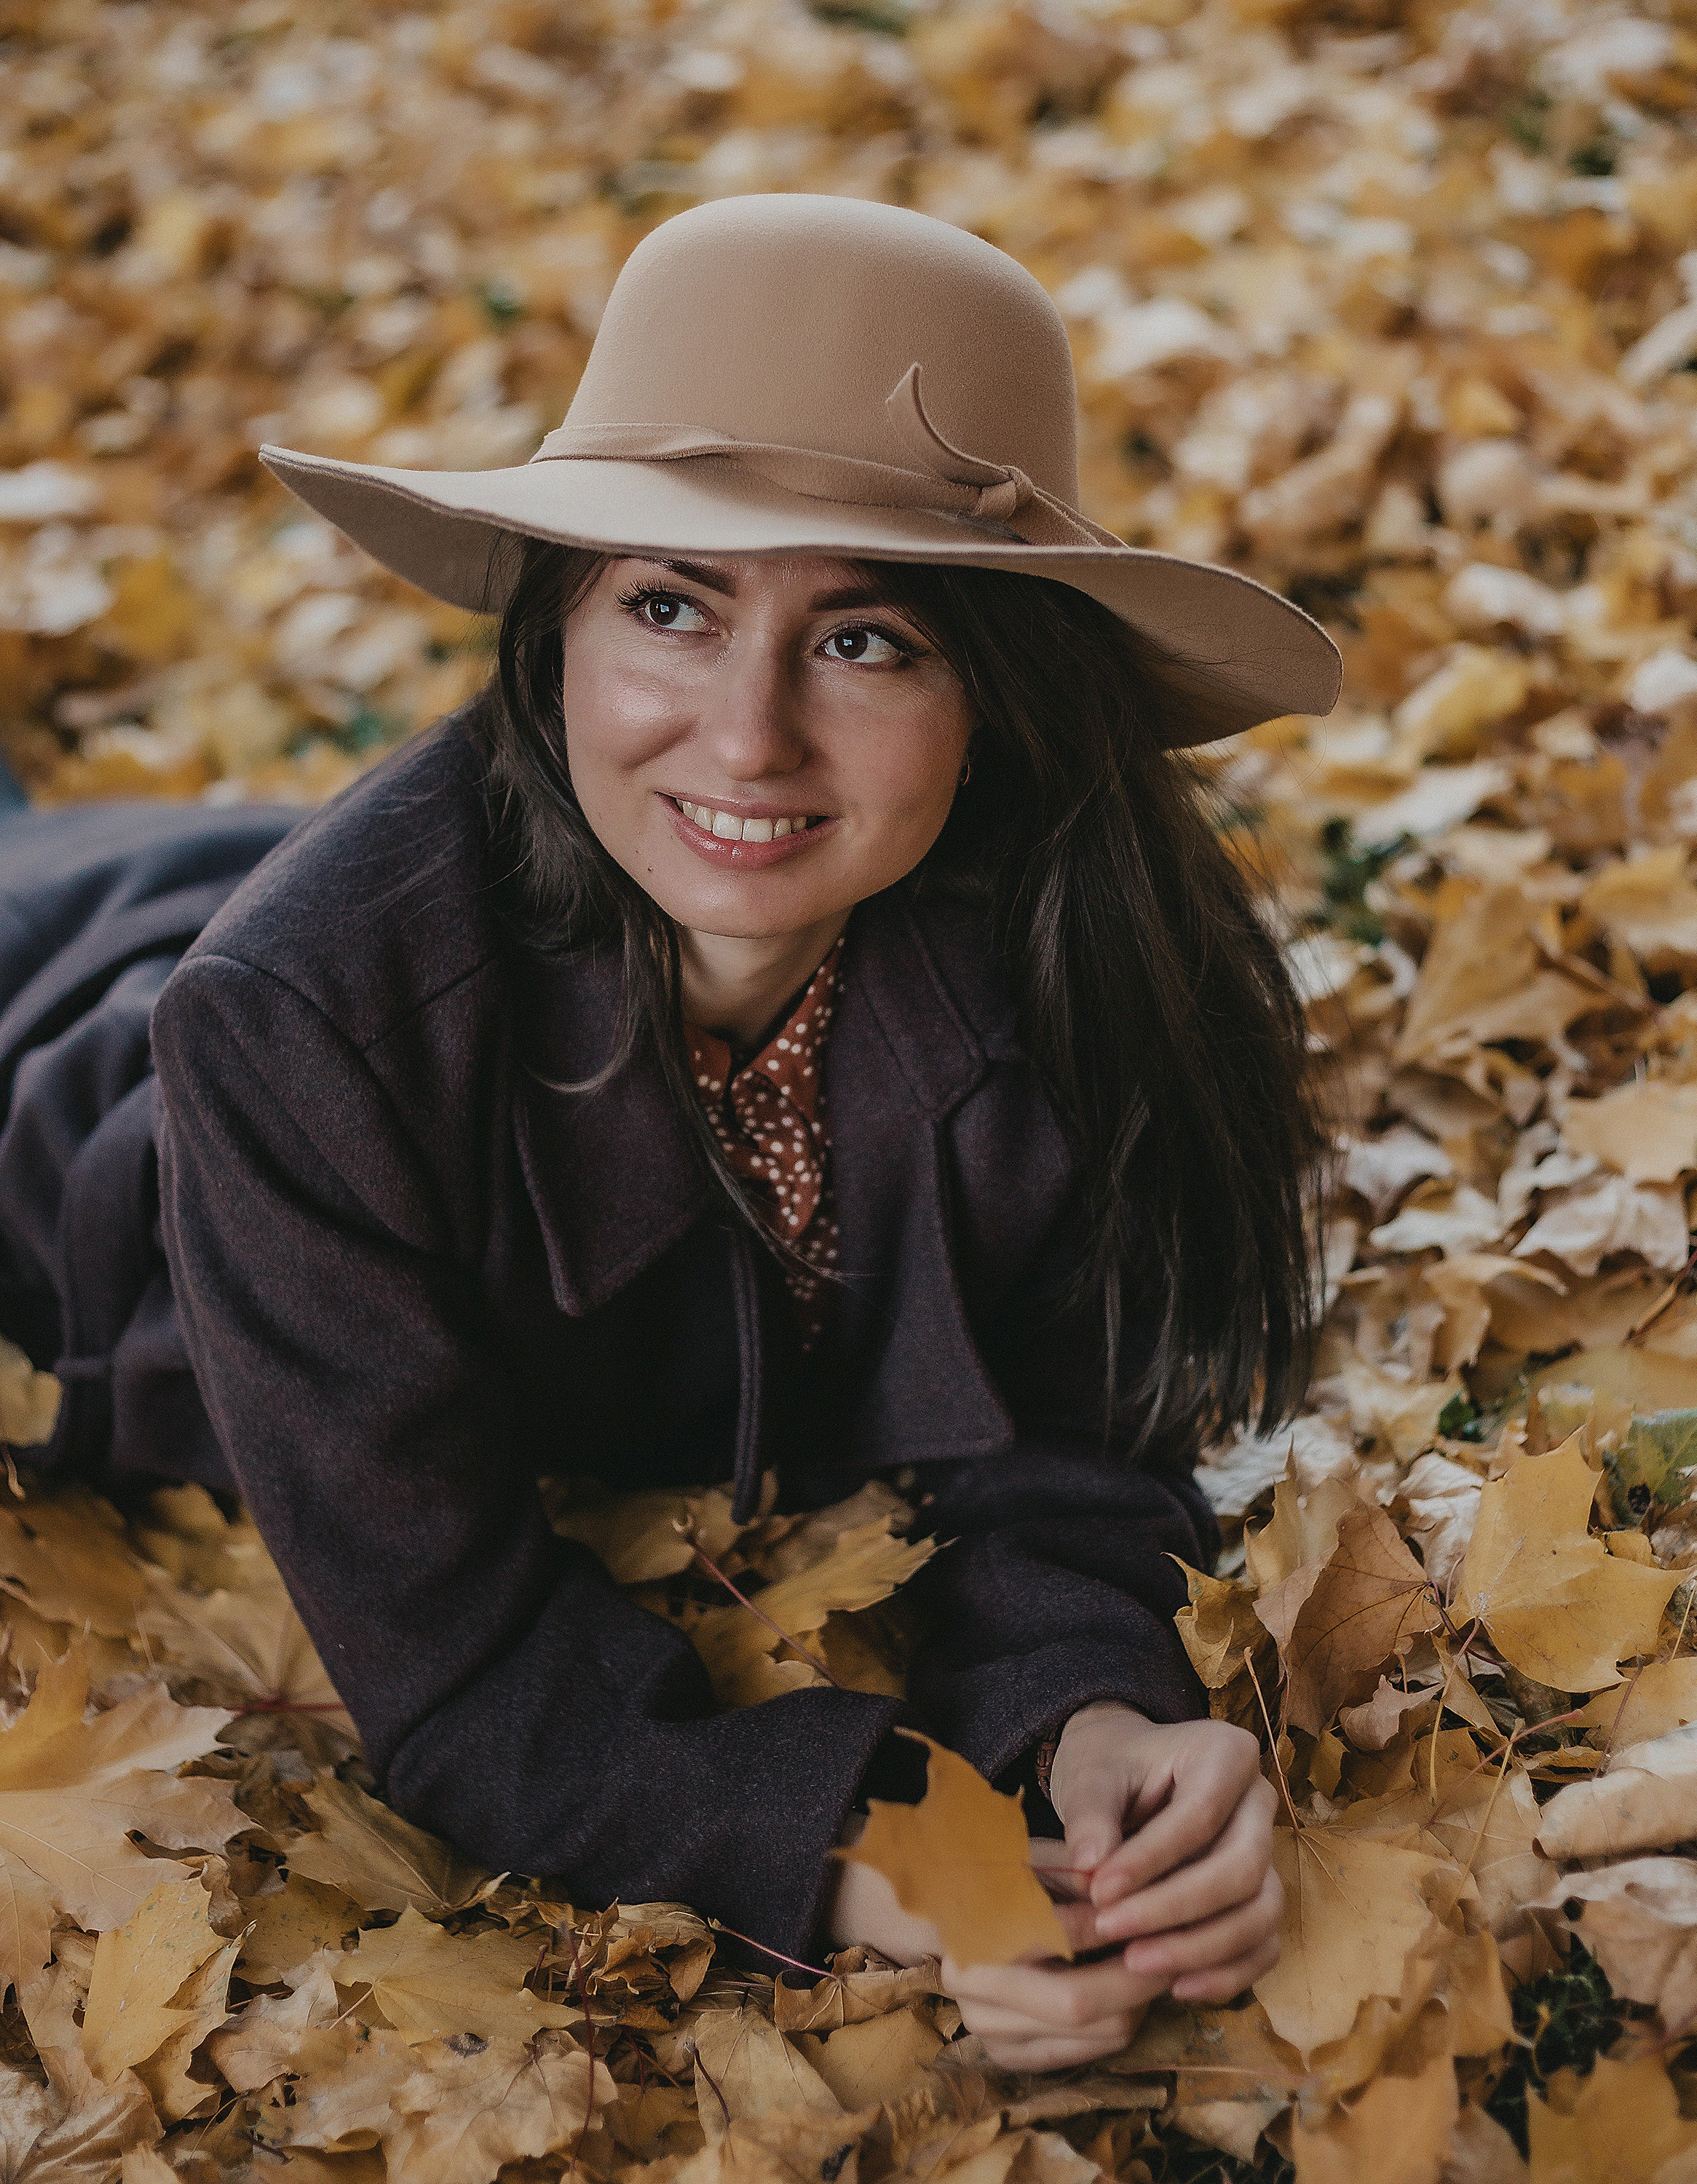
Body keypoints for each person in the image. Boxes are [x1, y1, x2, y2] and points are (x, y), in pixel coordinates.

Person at [0, 193, 1340, 2069]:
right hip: (77, 1057)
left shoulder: (1058, 947)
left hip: (320, 893)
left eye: (867, 640)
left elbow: (1056, 1425)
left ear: (1000, 698)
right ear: (554, 634)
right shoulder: (297, 1035)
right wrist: (920, 1870)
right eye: (669, 608)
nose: (749, 738)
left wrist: (1091, 1713)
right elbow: (469, 1675)